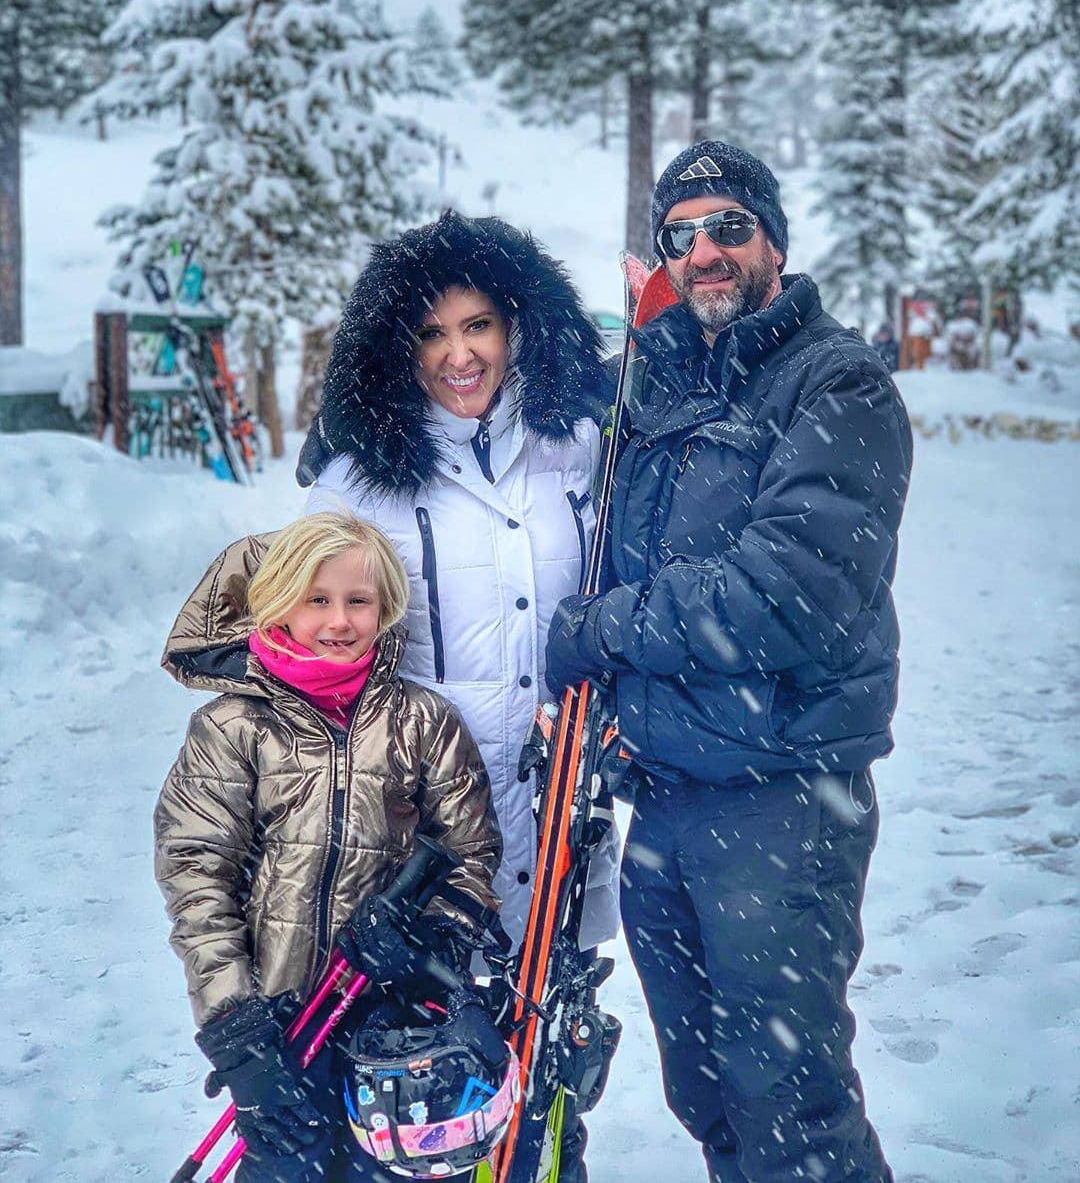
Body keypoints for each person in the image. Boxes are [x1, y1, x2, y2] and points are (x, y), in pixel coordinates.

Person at [546, 141, 912, 1183]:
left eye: (728, 227)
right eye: (682, 234)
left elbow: (787, 591)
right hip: (665, 798)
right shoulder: (658, 384)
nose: (705, 250)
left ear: (773, 243)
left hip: (781, 800)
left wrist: (603, 627)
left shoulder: (837, 383)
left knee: (789, 1107)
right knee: (707, 1096)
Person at [297, 209, 620, 1181]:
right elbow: (309, 664)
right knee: (436, 1112)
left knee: (544, 1097)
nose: (459, 354)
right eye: (432, 333)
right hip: (427, 855)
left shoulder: (579, 447)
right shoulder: (356, 481)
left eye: (478, 324)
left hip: (558, 828)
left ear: (518, 323)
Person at [154, 512, 502, 1182]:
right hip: (280, 1026)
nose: (339, 621)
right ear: (278, 602)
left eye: (358, 601)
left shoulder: (422, 721)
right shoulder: (232, 728)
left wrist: (427, 945)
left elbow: (471, 852)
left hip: (396, 1029)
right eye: (317, 599)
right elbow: (197, 878)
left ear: (386, 608)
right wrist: (238, 1035)